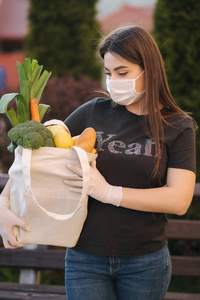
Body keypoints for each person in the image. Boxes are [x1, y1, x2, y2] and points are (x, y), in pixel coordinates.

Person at [0, 25, 196, 300]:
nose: (113, 80)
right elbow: (41, 160)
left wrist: (108, 192)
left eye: (122, 72)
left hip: (145, 262)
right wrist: (3, 205)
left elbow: (179, 199)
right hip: (85, 260)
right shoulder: (93, 112)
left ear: (149, 71)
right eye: (108, 73)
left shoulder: (178, 126)